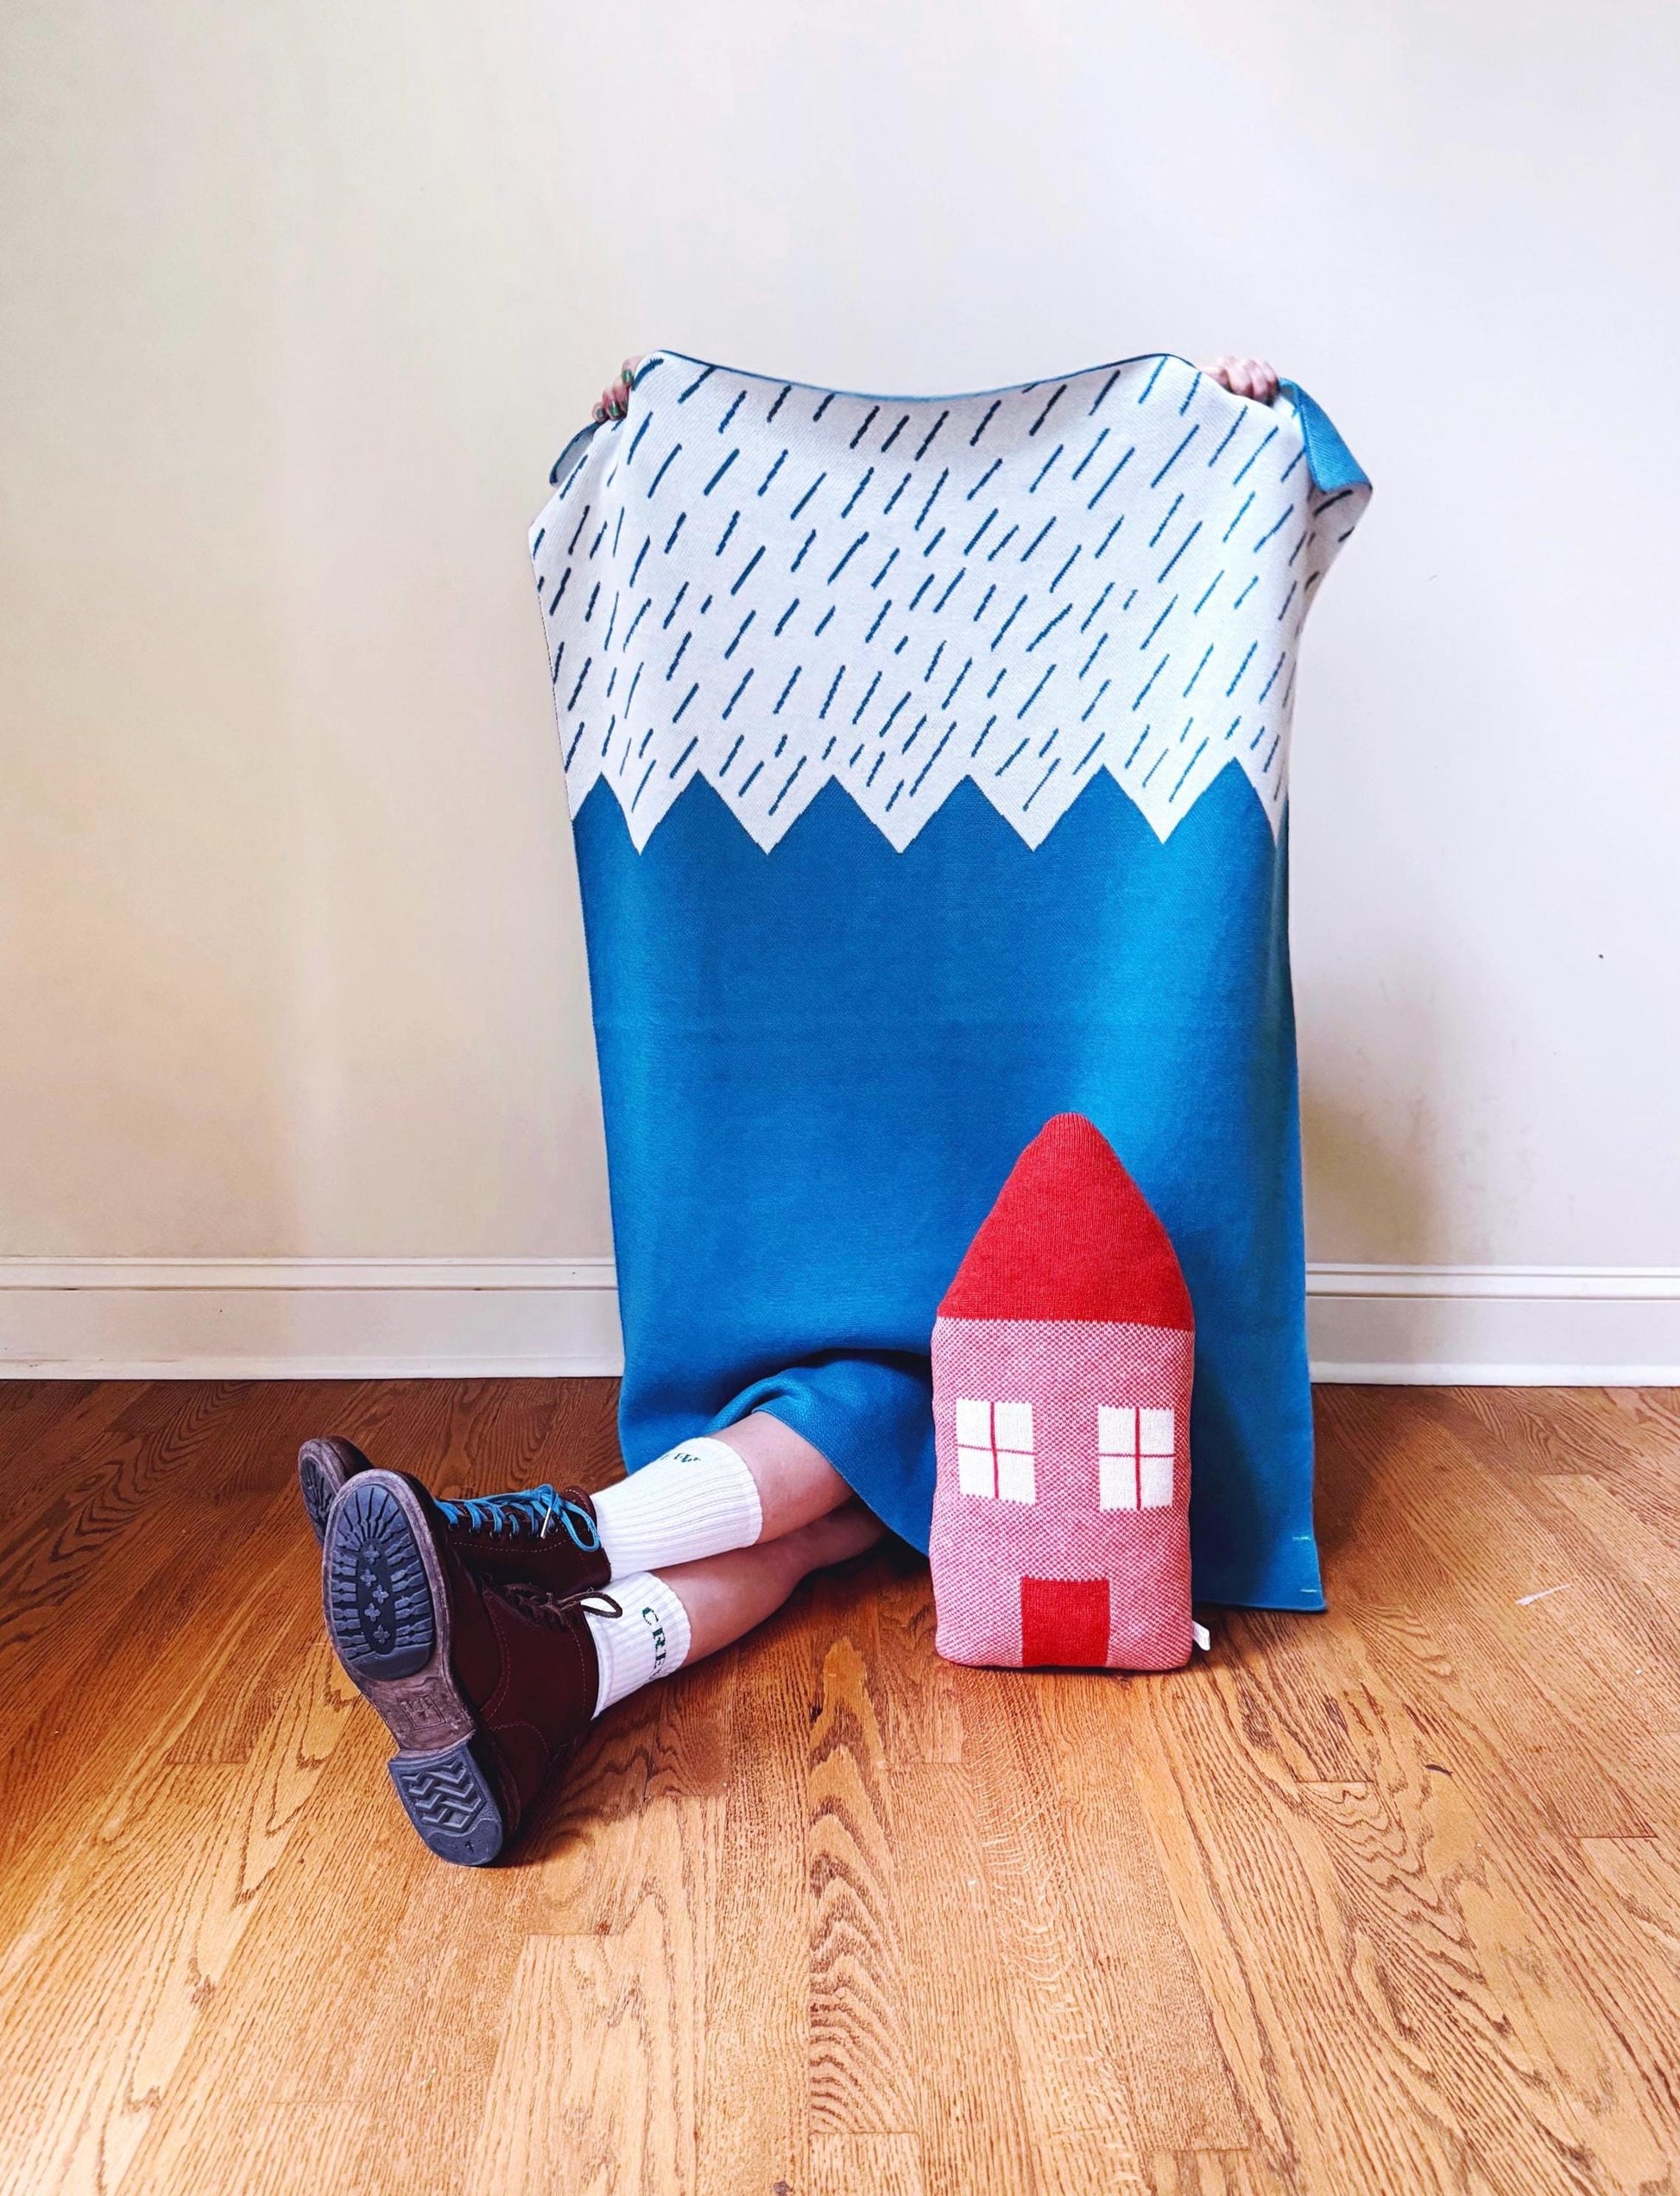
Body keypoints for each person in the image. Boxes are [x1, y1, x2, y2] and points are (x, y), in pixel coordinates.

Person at [306, 350, 1286, 1868]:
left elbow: (1315, 490)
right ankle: (540, 1662)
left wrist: (1242, 428)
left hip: (970, 1379)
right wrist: (627, 475)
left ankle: (533, 1565)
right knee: (825, 1506)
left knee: (838, 1446)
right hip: (913, 1425)